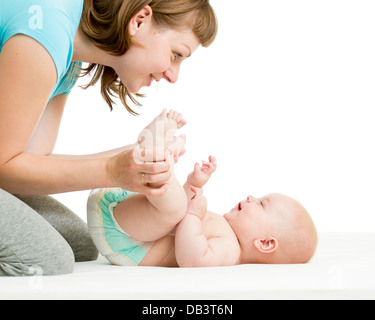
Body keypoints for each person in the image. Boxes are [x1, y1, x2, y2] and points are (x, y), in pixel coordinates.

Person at [0, 0, 218, 276]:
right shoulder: (45, 33)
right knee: (47, 259)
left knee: (80, 243)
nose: (173, 76)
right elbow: (4, 169)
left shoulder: (68, 58)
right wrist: (111, 171)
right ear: (139, 21)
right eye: (176, 54)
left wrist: (134, 156)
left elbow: (26, 165)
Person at [87, 110, 318, 267]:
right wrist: (193, 185)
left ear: (265, 243)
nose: (251, 196)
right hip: (128, 209)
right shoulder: (225, 230)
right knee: (172, 202)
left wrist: (192, 214)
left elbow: (191, 259)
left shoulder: (230, 252)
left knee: (176, 208)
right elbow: (178, 218)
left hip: (128, 241)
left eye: (261, 204)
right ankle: (150, 154)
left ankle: (157, 155)